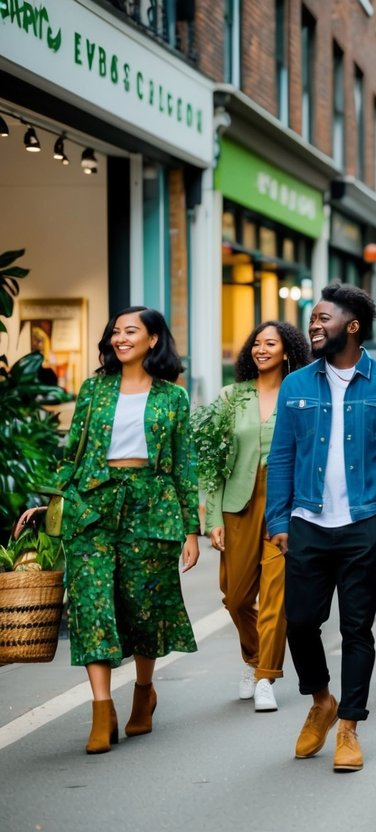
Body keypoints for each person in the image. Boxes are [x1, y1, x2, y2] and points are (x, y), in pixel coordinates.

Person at [22, 307, 199, 754]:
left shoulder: (172, 397)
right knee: (92, 604)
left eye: (131, 331)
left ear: (154, 339)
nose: (120, 338)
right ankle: (102, 709)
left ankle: (143, 691)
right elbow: (74, 451)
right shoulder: (94, 389)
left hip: (151, 507)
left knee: (143, 606)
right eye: (116, 331)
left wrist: (191, 530)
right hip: (93, 506)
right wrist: (54, 500)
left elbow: (183, 464)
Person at [266, 284, 376, 773]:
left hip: (363, 524)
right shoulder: (296, 385)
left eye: (324, 318)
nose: (314, 325)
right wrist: (278, 518)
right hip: (308, 521)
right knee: (302, 621)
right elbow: (282, 455)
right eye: (312, 317)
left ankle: (349, 726)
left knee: (357, 628)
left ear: (352, 326)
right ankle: (322, 700)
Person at [205, 321, 310, 713]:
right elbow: (212, 462)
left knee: (276, 597)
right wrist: (212, 515)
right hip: (239, 504)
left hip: (287, 503)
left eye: (272, 343)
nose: (262, 349)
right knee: (235, 597)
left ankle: (266, 675)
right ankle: (253, 657)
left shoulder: (300, 394)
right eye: (257, 343)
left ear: (287, 352)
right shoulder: (231, 397)